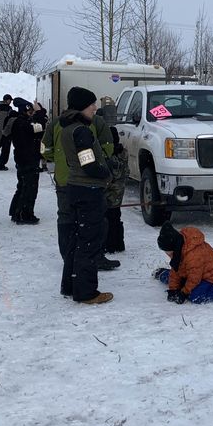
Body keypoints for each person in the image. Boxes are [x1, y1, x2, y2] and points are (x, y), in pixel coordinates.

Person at [42, 97, 119, 270]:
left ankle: (69, 258)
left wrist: (57, 161)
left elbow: (45, 148)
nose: (94, 108)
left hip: (64, 179)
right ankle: (92, 258)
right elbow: (106, 145)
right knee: (92, 222)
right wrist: (105, 166)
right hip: (87, 182)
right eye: (91, 104)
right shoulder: (90, 124)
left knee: (67, 219)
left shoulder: (57, 123)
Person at [59, 86, 114, 304]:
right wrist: (105, 172)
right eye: (91, 104)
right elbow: (88, 163)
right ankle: (87, 292)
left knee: (76, 240)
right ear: (81, 106)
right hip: (87, 190)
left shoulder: (68, 128)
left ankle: (70, 286)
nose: (95, 107)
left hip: (75, 188)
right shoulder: (81, 131)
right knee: (89, 242)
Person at [153, 221, 213, 304]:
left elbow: (194, 278)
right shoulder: (178, 249)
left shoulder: (193, 256)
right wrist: (173, 290)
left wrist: (183, 293)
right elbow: (176, 269)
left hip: (209, 275)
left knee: (195, 296)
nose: (167, 254)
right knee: (176, 282)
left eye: (168, 252)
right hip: (191, 272)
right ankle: (162, 273)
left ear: (173, 247)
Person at [8, 98, 46, 224]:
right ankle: (25, 214)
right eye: (30, 111)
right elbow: (40, 127)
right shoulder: (23, 124)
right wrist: (40, 112)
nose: (32, 113)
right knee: (29, 187)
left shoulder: (20, 122)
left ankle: (16, 211)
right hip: (28, 158)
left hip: (23, 158)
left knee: (23, 186)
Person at [104, 126, 129, 253]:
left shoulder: (110, 156)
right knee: (116, 217)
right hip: (119, 190)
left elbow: (108, 175)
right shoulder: (123, 153)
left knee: (108, 218)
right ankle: (119, 243)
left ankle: (109, 244)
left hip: (109, 191)